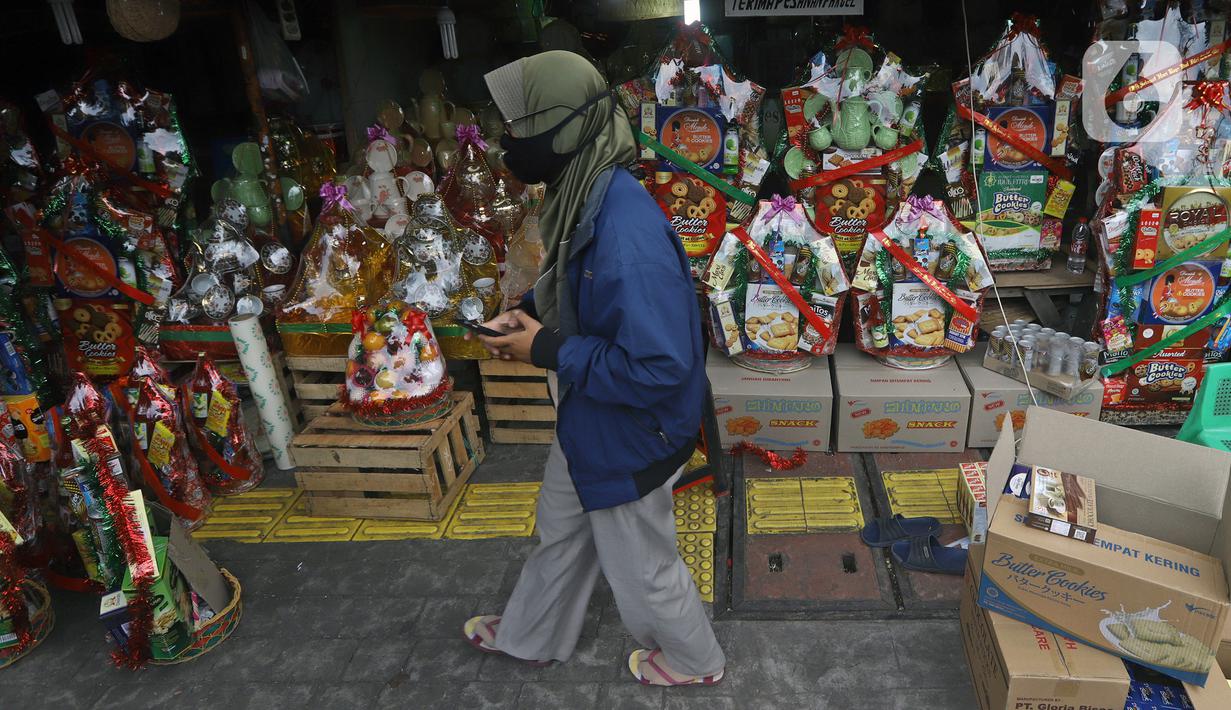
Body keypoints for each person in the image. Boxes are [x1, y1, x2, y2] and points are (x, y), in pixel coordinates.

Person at [462, 50, 726, 687]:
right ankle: (533, 634)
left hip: (635, 430)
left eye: (521, 130)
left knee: (642, 566)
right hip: (593, 411)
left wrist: (546, 349)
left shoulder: (624, 227)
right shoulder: (586, 191)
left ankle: (696, 662)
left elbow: (659, 366)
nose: (509, 145)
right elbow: (581, 288)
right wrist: (526, 316)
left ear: (566, 130)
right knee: (561, 528)